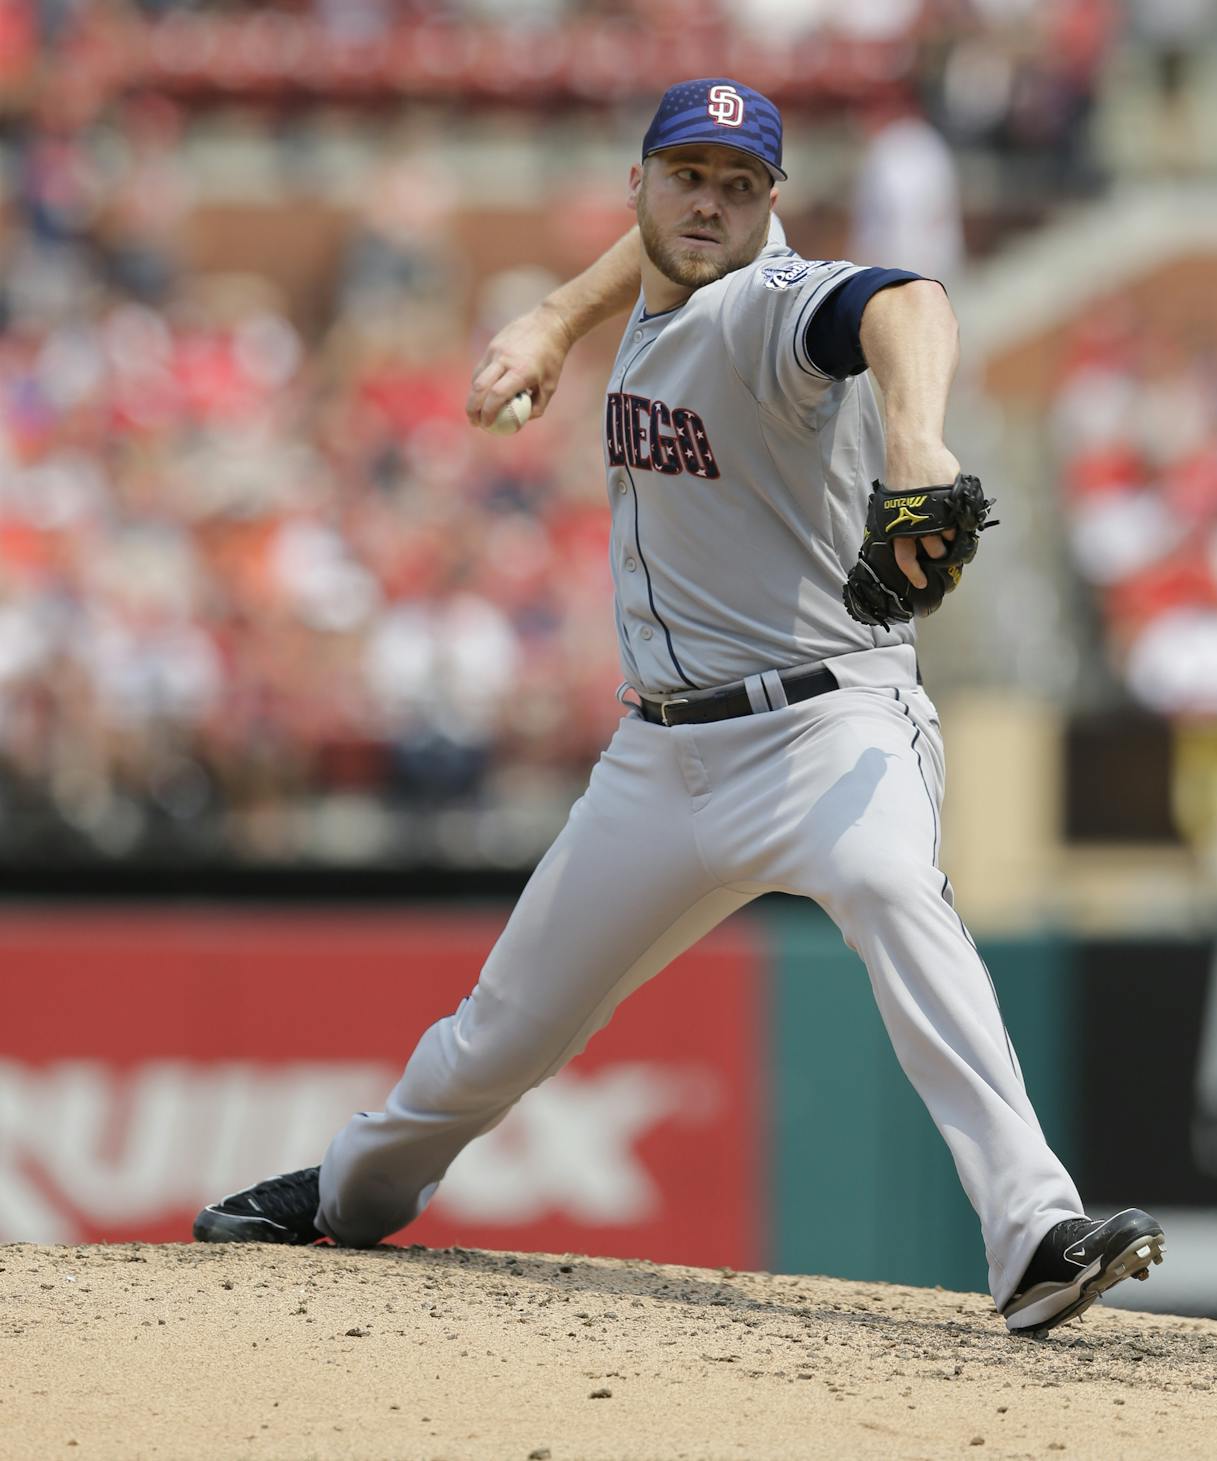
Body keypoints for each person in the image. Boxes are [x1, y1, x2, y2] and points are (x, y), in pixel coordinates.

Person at [194, 78, 1164, 1337]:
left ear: (774, 207)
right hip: (657, 758)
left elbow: (905, 300)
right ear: (637, 183)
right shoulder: (666, 278)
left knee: (892, 896)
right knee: (501, 1031)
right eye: (688, 175)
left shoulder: (769, 304)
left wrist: (918, 442)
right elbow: (655, 255)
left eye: (741, 185)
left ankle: (1034, 1227)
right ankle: (352, 1188)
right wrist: (551, 318)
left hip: (827, 728)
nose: (711, 203)